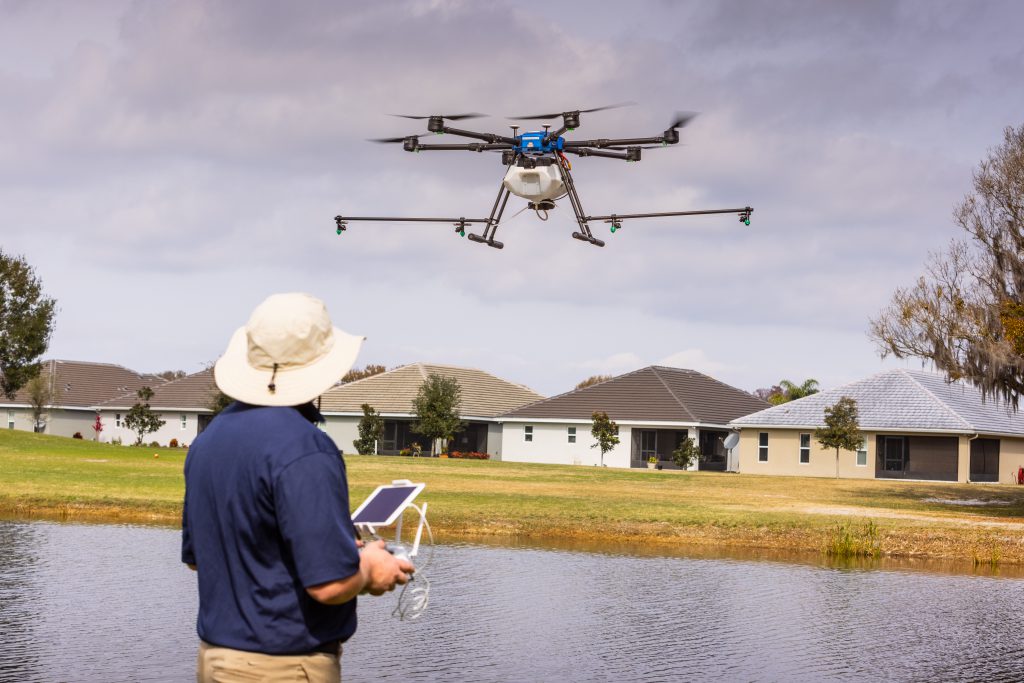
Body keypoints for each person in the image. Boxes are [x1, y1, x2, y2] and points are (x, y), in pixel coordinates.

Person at [182, 292, 414, 682]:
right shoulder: (306, 448)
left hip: (215, 662)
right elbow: (330, 585)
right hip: (285, 669)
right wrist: (371, 567)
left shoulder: (209, 439)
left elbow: (199, 557)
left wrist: (336, 552)